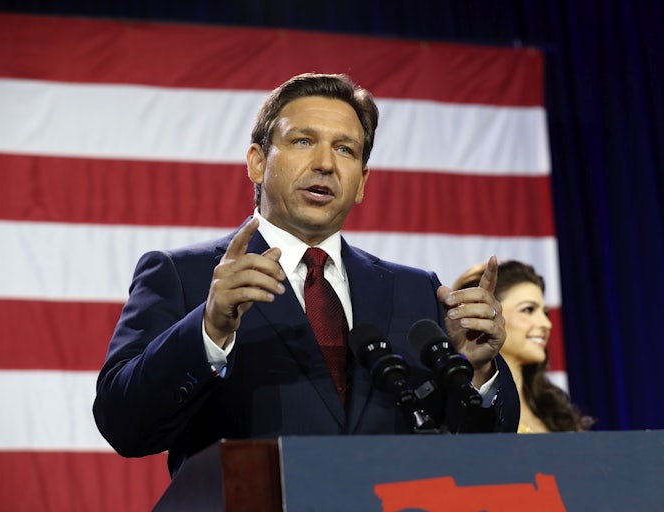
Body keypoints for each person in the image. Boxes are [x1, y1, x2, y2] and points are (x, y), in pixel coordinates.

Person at [93, 73, 520, 476]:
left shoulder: (417, 291)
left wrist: (476, 372)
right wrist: (209, 329)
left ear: (361, 182)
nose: (325, 164)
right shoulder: (185, 275)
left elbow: (476, 457)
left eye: (345, 149)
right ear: (257, 162)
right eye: (303, 141)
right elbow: (124, 426)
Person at [454, 260, 594, 433]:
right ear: (484, 316)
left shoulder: (556, 411)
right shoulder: (457, 407)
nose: (547, 324)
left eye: (545, 312)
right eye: (528, 310)